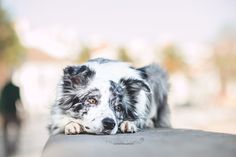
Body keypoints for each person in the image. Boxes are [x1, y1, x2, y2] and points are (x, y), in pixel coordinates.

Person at [0, 79, 22, 157]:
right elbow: (19, 101)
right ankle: (13, 145)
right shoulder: (16, 88)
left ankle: (8, 146)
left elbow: (1, 101)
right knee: (18, 127)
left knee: (5, 131)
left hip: (6, 112)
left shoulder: (4, 89)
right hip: (12, 113)